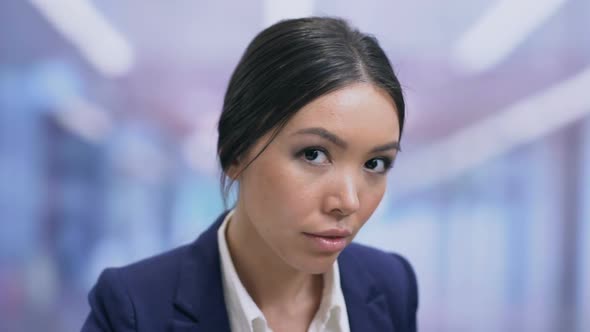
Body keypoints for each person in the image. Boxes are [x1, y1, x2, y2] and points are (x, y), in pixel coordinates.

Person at [81, 16, 418, 332]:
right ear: (235, 153)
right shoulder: (133, 310)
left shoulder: (392, 284)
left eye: (375, 163)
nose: (348, 201)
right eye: (314, 154)